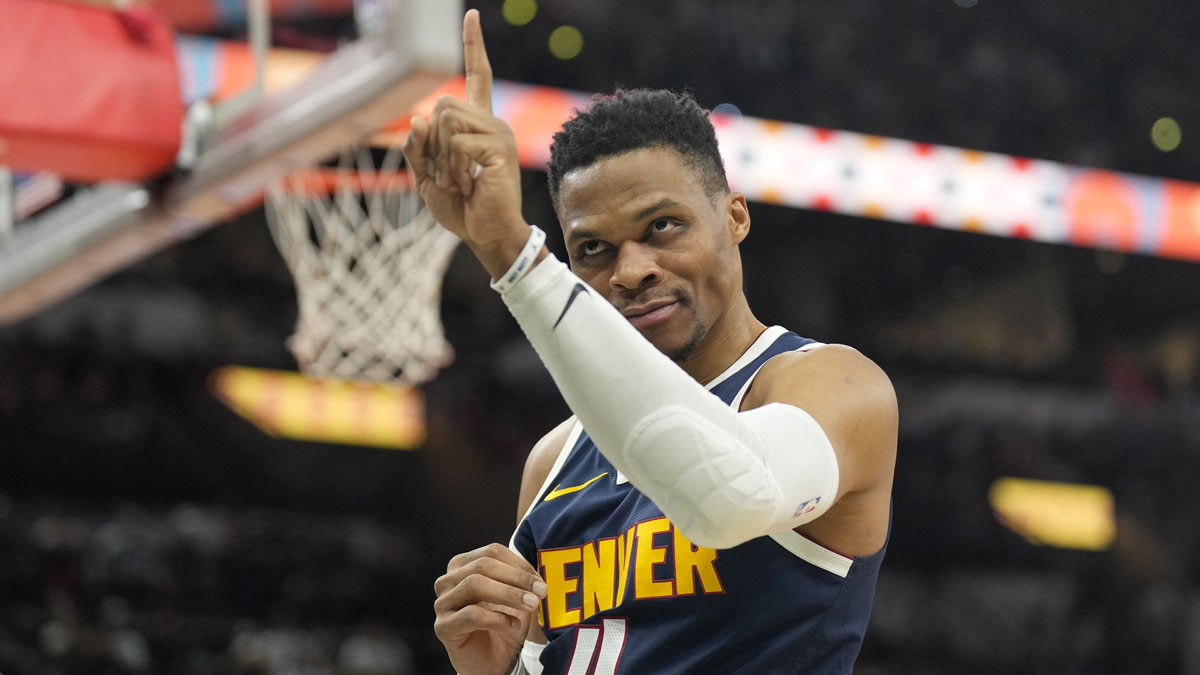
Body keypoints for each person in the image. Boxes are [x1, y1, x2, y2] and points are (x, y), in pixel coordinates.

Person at [410, 10, 897, 675]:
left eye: (662, 226)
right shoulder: (552, 459)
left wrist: (511, 253)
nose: (632, 269)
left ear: (734, 216)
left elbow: (733, 497)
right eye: (593, 248)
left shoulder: (833, 385)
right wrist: (491, 668)